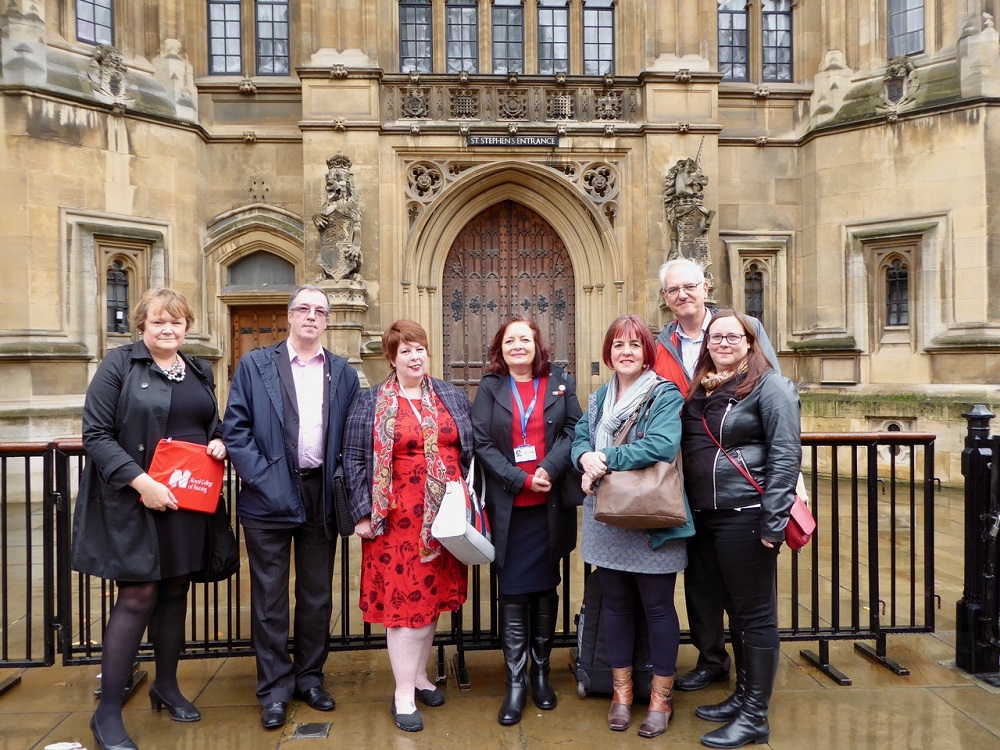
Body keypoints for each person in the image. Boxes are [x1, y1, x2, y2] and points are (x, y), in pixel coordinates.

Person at [71, 288, 227, 750]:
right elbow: (95, 434)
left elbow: (208, 423)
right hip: (137, 500)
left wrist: (220, 441)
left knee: (176, 589)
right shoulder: (118, 365)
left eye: (177, 322)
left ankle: (167, 685)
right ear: (142, 325)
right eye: (159, 321)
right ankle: (106, 713)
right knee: (138, 594)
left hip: (187, 502)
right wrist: (142, 483)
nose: (168, 329)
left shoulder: (198, 368)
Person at [223, 285, 360, 730]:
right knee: (269, 599)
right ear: (289, 315)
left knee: (317, 596)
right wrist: (264, 480)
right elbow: (235, 430)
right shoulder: (255, 364)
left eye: (320, 311)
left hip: (320, 494)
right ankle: (274, 689)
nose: (311, 317)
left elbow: (353, 436)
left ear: (327, 320)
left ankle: (310, 678)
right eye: (303, 308)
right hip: (267, 496)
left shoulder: (342, 372)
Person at [654, 257, 780, 694]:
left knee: (746, 596)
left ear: (705, 287)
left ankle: (751, 690)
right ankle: (712, 660)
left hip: (738, 489)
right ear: (666, 299)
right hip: (685, 485)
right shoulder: (660, 343)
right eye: (673, 290)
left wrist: (782, 494)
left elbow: (775, 404)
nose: (682, 295)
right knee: (701, 581)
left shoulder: (741, 329)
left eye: (689, 286)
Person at [343, 320, 473, 733]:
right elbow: (354, 460)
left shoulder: (450, 394)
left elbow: (467, 448)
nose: (415, 356)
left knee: (430, 602)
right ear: (392, 358)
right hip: (395, 520)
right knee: (404, 610)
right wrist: (362, 512)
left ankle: (418, 676)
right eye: (405, 351)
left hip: (445, 519)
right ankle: (402, 693)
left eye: (420, 348)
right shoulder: (370, 401)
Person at [680, 309, 800, 749]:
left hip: (747, 514)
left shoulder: (772, 387)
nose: (723, 343)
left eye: (733, 336)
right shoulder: (706, 387)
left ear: (751, 342)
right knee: (730, 609)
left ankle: (755, 716)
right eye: (715, 337)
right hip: (706, 517)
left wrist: (773, 520)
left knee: (755, 615)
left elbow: (786, 456)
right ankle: (743, 696)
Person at [571, 315, 694, 739]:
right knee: (617, 605)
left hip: (650, 517)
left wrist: (605, 460)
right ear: (608, 352)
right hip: (606, 516)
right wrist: (584, 457)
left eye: (634, 345)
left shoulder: (664, 394)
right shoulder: (600, 396)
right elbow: (580, 437)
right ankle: (621, 693)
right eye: (618, 344)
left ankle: (661, 698)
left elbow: (661, 444)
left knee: (658, 608)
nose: (626, 351)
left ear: (647, 352)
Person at [471, 316, 583, 725]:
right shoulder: (490, 387)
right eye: (510, 340)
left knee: (545, 588)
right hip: (509, 506)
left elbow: (575, 429)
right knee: (514, 592)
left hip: (549, 504)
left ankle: (541, 673)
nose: (518, 346)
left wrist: (548, 471)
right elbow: (480, 440)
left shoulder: (559, 381)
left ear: (538, 345)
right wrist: (519, 478)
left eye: (525, 339)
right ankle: (515, 681)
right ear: (500, 348)